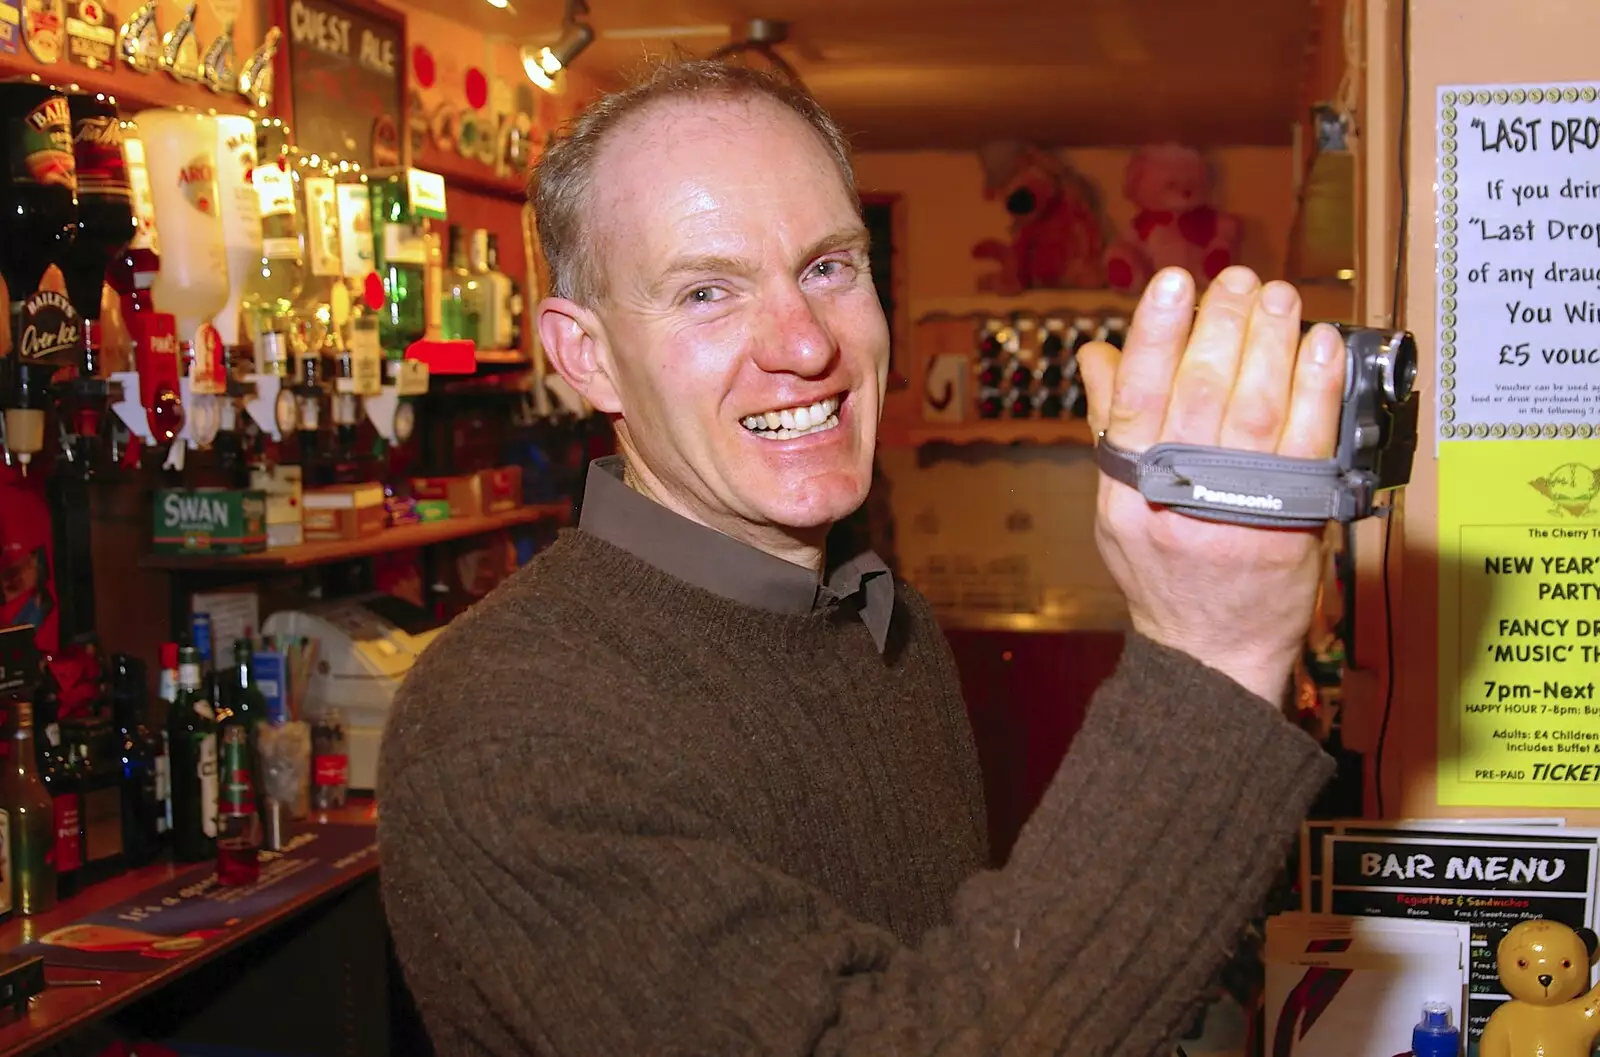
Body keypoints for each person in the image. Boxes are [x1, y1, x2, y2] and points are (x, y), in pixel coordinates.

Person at [379, 59, 1347, 1056]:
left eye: (827, 268)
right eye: (707, 291)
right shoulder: (503, 727)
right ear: (584, 355)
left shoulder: (881, 617)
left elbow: (947, 978)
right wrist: (1210, 653)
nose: (803, 345)